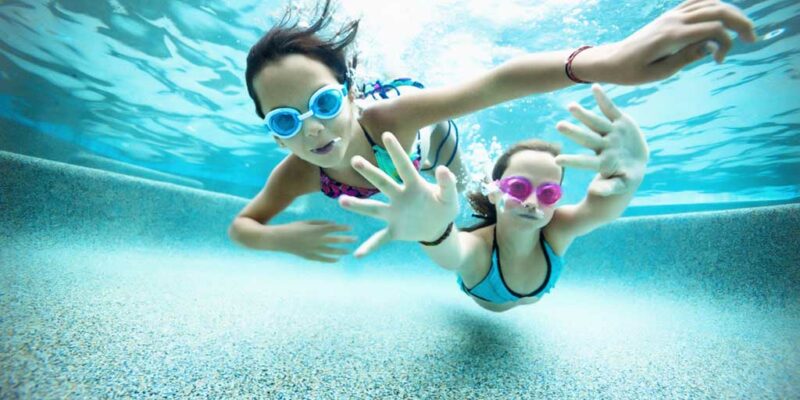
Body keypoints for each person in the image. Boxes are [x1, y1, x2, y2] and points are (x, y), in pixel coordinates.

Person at [228, 0, 756, 263]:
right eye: (285, 119)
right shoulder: (296, 171)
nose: (313, 128)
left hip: (435, 149)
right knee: (427, 218)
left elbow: (493, 84)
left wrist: (608, 60)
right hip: (402, 185)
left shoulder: (391, 116)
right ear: (274, 133)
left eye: (323, 102)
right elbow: (243, 226)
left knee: (473, 201)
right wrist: (281, 239)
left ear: (347, 93)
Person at [339, 85, 648, 312]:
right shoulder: (480, 250)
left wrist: (630, 175)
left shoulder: (557, 228)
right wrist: (434, 232)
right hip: (487, 294)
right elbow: (454, 253)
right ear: (496, 188)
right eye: (518, 188)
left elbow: (600, 210)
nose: (532, 202)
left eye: (548, 193)